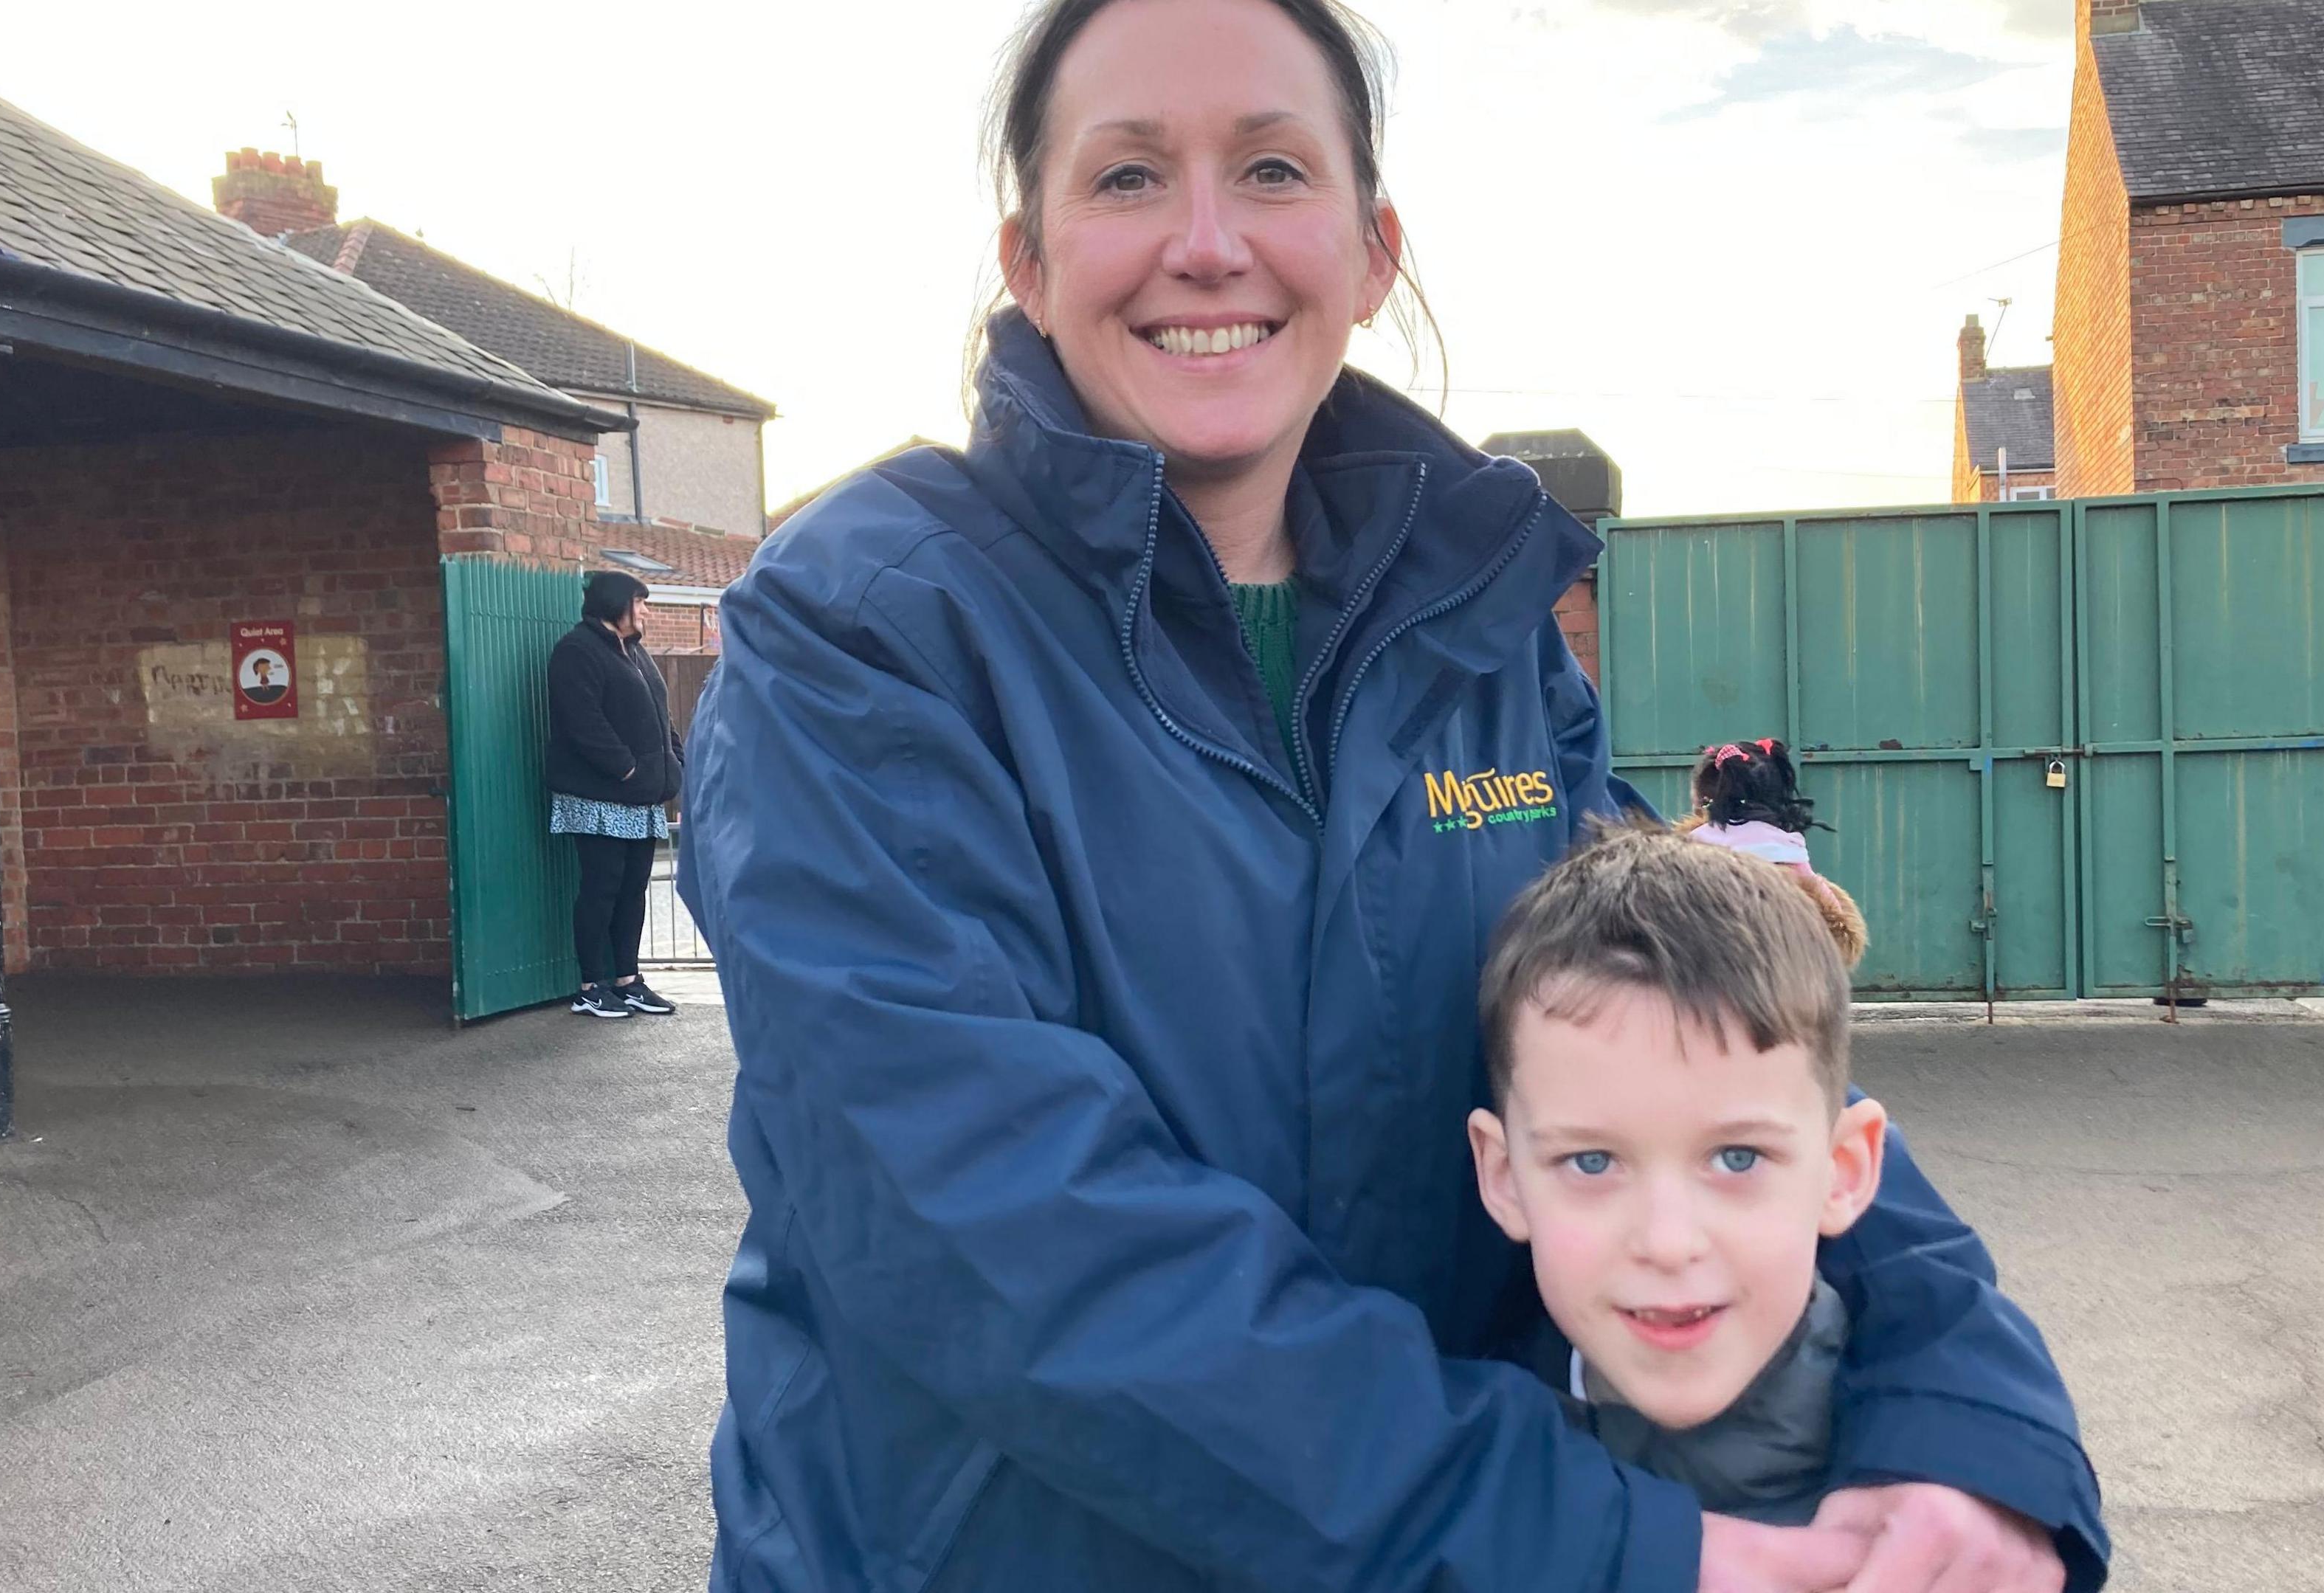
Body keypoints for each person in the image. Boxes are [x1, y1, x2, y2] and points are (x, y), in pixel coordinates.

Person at [676, 1, 2106, 1589]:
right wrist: (1589, 1542)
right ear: (1029, 254)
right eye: (1130, 177)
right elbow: (990, 1220)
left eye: (1275, 169)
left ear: (1370, 249)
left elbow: (1719, 1037)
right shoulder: (866, 628)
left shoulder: (1475, 627)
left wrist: (1967, 1417)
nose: (1207, 243)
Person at [1468, 820, 1887, 1525]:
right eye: (1591, 1161)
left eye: (1738, 1157)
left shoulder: (1930, 1517)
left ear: (1843, 1169)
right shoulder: (1474, 1470)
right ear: (1504, 1176)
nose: (1667, 1243)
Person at [546, 569, 680, 1020]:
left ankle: (628, 980)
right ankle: (590, 987)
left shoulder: (636, 652)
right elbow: (584, 724)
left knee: (633, 890)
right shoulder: (576, 651)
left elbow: (659, 714)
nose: (646, 610)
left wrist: (673, 760)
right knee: (601, 888)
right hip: (598, 799)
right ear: (615, 605)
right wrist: (626, 768)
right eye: (640, 602)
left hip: (642, 797)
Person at [1685, 739, 1868, 970]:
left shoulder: (1686, 851)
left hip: (1708, 980)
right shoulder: (1790, 851)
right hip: (1784, 983)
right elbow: (1840, 940)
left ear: (1704, 802)